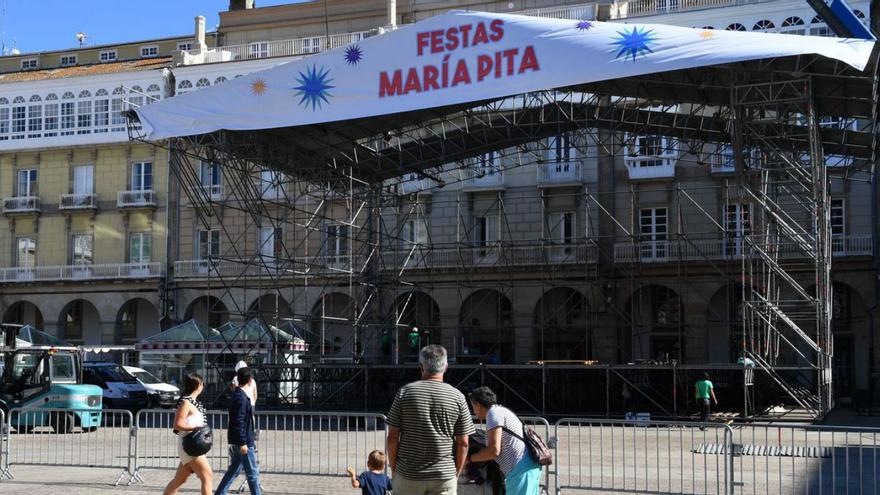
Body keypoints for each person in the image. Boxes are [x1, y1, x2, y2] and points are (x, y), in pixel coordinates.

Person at [387, 344, 475, 495]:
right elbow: (463, 443)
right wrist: (455, 475)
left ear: (421, 366)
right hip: (443, 475)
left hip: (408, 474)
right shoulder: (458, 397)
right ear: (446, 367)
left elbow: (393, 437)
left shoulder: (405, 393)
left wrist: (395, 469)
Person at [467, 386, 541, 495]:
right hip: (525, 467)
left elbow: (494, 450)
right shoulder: (499, 410)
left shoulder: (493, 414)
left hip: (520, 469)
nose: (473, 410)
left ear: (478, 404)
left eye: (472, 406)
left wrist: (470, 458)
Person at [163, 373, 212, 495]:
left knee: (179, 480)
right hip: (190, 445)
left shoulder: (194, 402)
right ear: (199, 385)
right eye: (202, 383)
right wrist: (196, 428)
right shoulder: (186, 402)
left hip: (192, 444)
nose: (203, 386)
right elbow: (177, 425)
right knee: (207, 476)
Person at [215, 367, 261, 495]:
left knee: (234, 470)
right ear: (250, 381)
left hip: (239, 440)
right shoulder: (241, 397)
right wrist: (242, 443)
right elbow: (238, 421)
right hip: (244, 441)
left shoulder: (238, 395)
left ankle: (219, 493)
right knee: (252, 473)